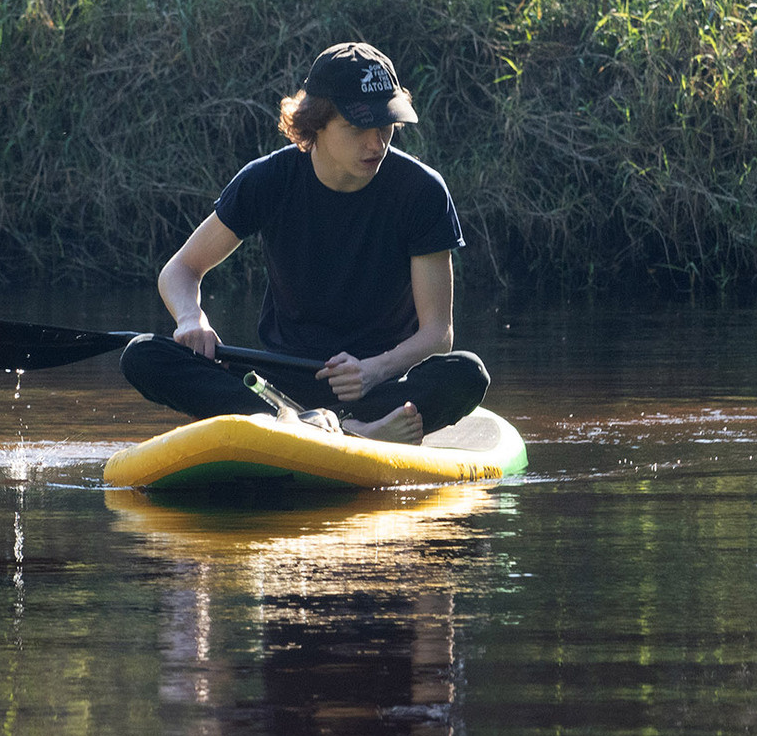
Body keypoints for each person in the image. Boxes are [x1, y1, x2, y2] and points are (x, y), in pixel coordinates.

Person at [121, 42, 489, 444]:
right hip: (279, 383)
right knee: (143, 355)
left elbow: (438, 332)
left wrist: (374, 371)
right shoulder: (268, 180)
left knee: (467, 373)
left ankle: (325, 426)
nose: (376, 144)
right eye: (357, 128)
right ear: (315, 124)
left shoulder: (422, 192)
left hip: (374, 389)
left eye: (385, 126)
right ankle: (328, 428)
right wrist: (192, 319)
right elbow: (180, 269)